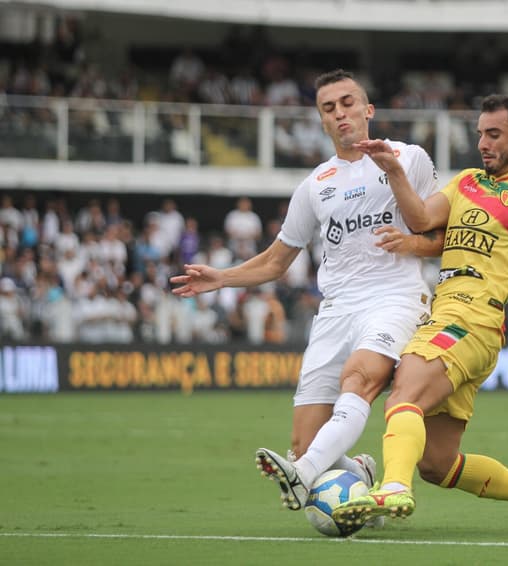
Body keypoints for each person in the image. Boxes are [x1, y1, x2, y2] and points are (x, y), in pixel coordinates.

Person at [170, 69, 442, 513]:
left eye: (348, 103)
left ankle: (302, 476)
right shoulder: (315, 185)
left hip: (393, 296)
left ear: (369, 110)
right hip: (336, 310)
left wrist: (411, 237)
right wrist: (221, 277)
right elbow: (277, 261)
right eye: (329, 108)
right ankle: (357, 475)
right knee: (303, 442)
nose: (341, 113)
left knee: (358, 378)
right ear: (321, 120)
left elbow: (440, 233)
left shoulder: (407, 156)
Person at [332, 94, 508, 534]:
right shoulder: (466, 182)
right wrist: (394, 171)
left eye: (494, 134)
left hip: (473, 316)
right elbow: (420, 220)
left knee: (406, 394)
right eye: (480, 133)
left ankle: (391, 487)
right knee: (438, 464)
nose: (483, 142)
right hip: (457, 319)